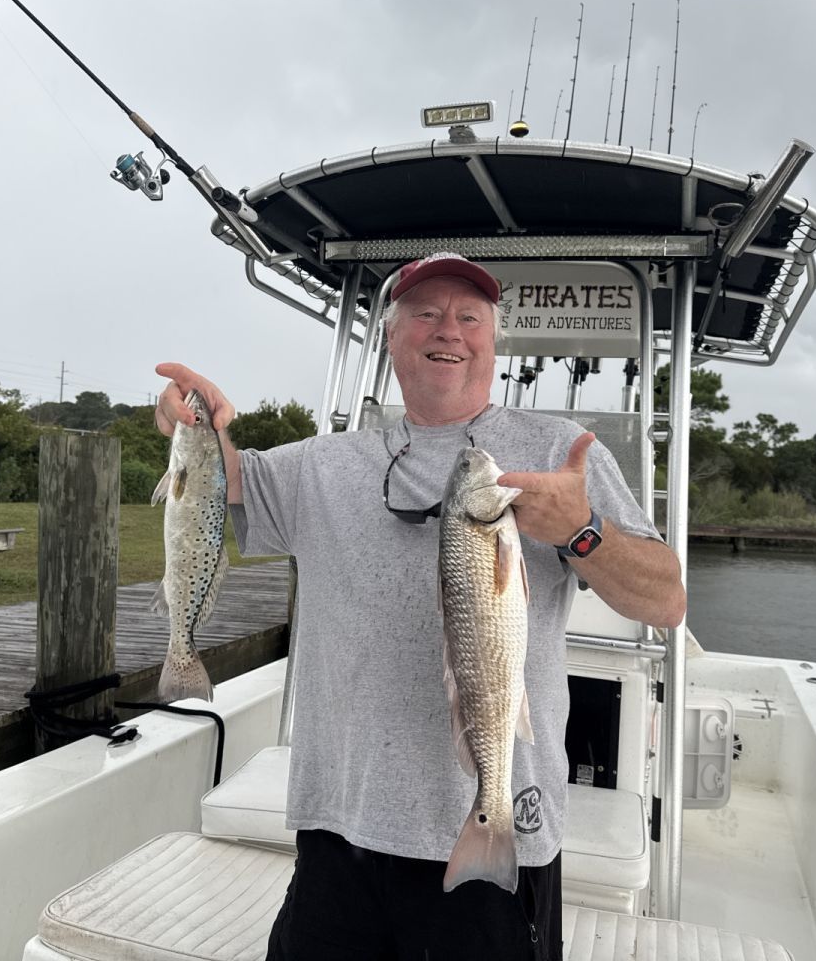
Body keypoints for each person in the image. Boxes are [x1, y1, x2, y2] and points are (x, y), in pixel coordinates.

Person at [154, 252, 686, 961]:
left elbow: (666, 599)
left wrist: (581, 531)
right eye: (426, 313)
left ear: (494, 342)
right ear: (390, 337)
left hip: (493, 832)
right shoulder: (321, 463)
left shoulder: (560, 454)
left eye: (469, 317)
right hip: (337, 828)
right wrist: (199, 423)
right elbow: (209, 494)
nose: (449, 330)